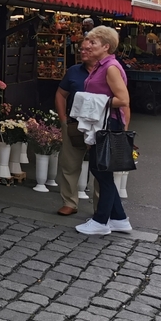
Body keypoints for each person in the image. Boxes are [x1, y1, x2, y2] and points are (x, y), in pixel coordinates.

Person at [75, 26, 131, 236]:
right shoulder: (103, 66)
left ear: (106, 46)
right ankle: (119, 219)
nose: (87, 45)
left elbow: (123, 99)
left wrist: (92, 101)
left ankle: (101, 221)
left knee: (102, 173)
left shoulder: (110, 68)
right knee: (101, 171)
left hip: (108, 125)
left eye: (93, 42)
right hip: (104, 124)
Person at [54, 37, 98, 215]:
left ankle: (100, 208)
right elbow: (60, 93)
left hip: (98, 125)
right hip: (74, 123)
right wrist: (63, 119)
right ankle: (70, 202)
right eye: (81, 49)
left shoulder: (109, 71)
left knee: (100, 168)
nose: (83, 52)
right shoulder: (73, 71)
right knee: (70, 164)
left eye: (88, 49)